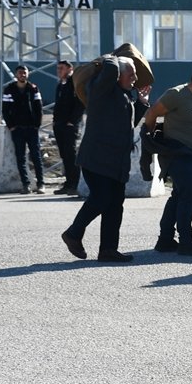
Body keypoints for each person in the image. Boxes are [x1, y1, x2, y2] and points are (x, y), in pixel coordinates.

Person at [61, 55, 150, 263]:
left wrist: (142, 104)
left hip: (117, 162)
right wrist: (113, 57)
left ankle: (108, 249)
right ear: (117, 74)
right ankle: (73, 233)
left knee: (115, 204)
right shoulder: (100, 90)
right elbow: (110, 70)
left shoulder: (123, 96)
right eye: (131, 73)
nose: (135, 78)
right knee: (101, 198)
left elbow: (127, 125)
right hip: (97, 158)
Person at [144, 61, 192, 256]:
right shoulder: (176, 94)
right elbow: (151, 113)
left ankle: (165, 240)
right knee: (190, 194)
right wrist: (153, 140)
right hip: (176, 154)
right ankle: (186, 242)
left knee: (179, 195)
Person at [2, 65, 45, 194]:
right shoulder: (9, 89)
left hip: (31, 128)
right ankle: (26, 184)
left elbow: (39, 108)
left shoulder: (33, 88)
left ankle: (41, 184)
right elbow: (5, 110)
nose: (22, 75)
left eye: (24, 73)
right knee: (20, 157)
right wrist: (11, 126)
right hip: (17, 129)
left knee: (36, 156)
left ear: (28, 74)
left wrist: (37, 125)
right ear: (16, 75)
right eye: (20, 73)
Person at [52, 60, 85, 195]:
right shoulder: (61, 85)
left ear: (70, 69)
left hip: (70, 126)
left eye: (62, 68)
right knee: (64, 155)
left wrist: (72, 121)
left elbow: (80, 103)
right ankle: (68, 183)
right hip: (59, 125)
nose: (59, 71)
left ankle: (75, 183)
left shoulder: (74, 83)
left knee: (71, 155)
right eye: (58, 69)